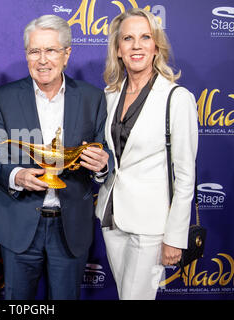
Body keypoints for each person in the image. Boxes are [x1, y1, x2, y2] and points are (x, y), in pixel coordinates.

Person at [0, 15, 111, 300]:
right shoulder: (4, 98)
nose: (42, 60)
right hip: (17, 224)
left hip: (70, 228)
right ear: (26, 54)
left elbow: (105, 156)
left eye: (51, 50)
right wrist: (16, 175)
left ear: (67, 54)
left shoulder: (92, 98)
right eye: (34, 51)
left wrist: (102, 167)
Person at [95, 8, 199, 300]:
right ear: (118, 49)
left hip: (152, 226)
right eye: (128, 38)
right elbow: (111, 159)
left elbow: (186, 176)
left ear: (156, 47)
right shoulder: (109, 95)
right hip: (112, 217)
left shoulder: (177, 99)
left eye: (145, 37)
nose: (136, 45)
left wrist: (175, 237)